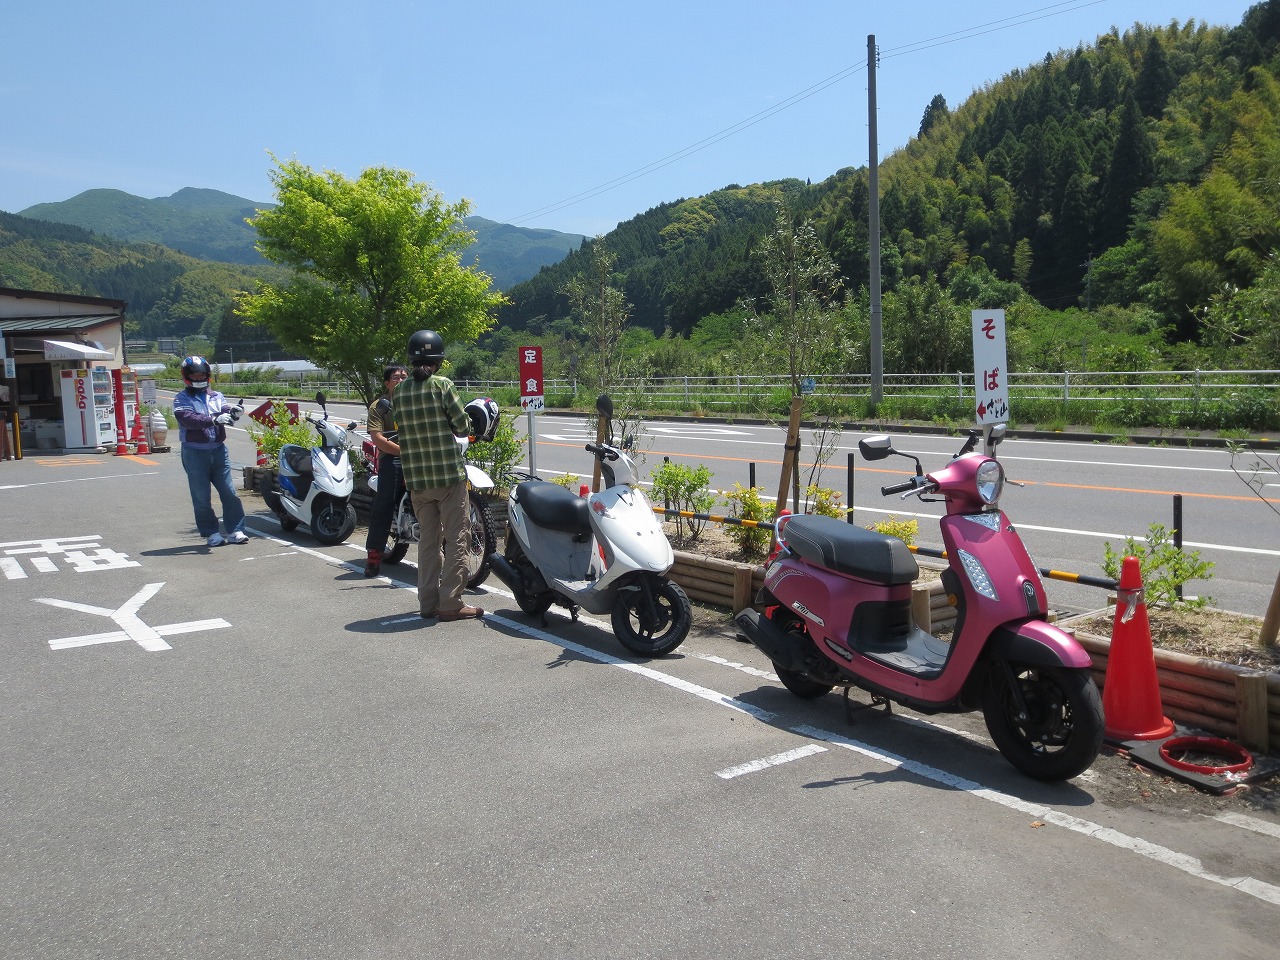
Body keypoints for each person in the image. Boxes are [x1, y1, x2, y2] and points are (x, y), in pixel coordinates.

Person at [392, 330, 482, 621]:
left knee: (429, 541)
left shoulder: (400, 391)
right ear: (438, 360)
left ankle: (427, 602)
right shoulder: (442, 385)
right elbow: (462, 427)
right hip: (447, 477)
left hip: (417, 479)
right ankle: (451, 602)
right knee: (457, 537)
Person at [172, 356, 249, 547]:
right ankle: (211, 532)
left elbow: (224, 411)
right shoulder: (181, 398)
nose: (199, 378)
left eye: (202, 374)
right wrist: (214, 420)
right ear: (187, 376)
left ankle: (235, 530)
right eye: (195, 374)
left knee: (229, 491)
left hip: (218, 450)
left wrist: (234, 412)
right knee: (201, 495)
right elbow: (187, 419)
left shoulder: (217, 396)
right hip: (194, 452)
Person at [364, 363, 408, 577]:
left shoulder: (416, 401)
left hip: (421, 456)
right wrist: (402, 452)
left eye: (404, 377)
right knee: (384, 502)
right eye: (396, 378)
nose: (401, 381)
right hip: (394, 457)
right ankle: (374, 555)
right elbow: (377, 438)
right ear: (387, 383)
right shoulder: (379, 406)